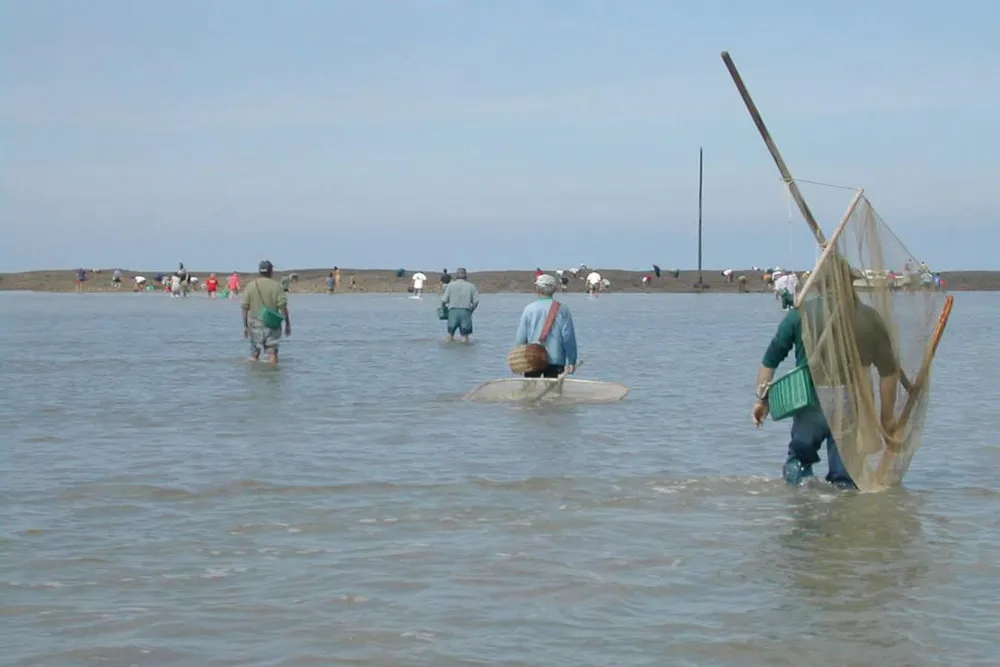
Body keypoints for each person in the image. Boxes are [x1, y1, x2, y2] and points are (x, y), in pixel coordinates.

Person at [751, 257, 901, 490]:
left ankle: (802, 508)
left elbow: (770, 359)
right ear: (849, 283)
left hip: (808, 398)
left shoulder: (799, 314)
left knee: (799, 462)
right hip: (850, 401)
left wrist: (762, 400)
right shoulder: (869, 317)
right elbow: (889, 373)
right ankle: (841, 512)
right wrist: (887, 417)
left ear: (819, 285)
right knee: (846, 474)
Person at [514, 274, 578, 378]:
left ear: (537, 289)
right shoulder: (563, 309)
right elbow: (568, 337)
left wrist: (519, 361)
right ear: (555, 290)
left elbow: (521, 338)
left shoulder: (529, 309)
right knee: (553, 392)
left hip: (533, 358)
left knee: (530, 391)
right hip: (556, 359)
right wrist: (571, 361)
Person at [242, 260, 291, 364]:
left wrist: (245, 326)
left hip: (254, 323)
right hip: (272, 324)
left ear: (260, 271)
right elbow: (283, 307)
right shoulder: (277, 286)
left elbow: (245, 308)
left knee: (255, 353)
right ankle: (272, 376)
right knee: (272, 353)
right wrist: (287, 324)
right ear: (271, 271)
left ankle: (254, 377)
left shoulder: (250, 286)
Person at [440, 267, 479, 343]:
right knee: (465, 337)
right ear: (466, 275)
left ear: (456, 275)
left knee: (450, 336)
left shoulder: (450, 286)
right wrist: (471, 311)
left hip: (453, 312)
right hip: (466, 311)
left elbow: (443, 301)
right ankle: (466, 354)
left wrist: (444, 310)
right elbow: (476, 302)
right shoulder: (471, 286)